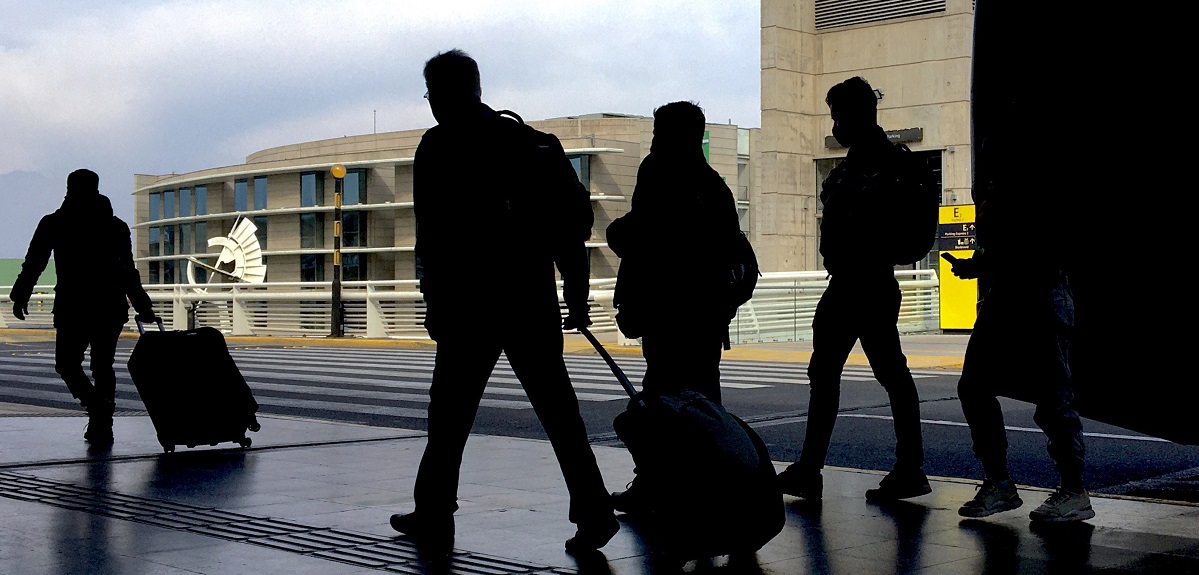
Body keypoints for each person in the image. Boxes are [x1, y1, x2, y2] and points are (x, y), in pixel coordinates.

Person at [389, 49, 618, 554]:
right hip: (529, 298)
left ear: (442, 94)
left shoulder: (438, 147)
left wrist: (433, 301)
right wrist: (575, 295)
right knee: (560, 412)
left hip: (468, 305)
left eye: (431, 95)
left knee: (449, 416)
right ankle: (595, 510)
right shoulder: (529, 143)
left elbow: (431, 237)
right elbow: (569, 230)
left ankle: (433, 512)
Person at [950, 50, 1090, 522]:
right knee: (976, 386)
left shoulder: (1045, 170)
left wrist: (990, 257)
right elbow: (1006, 238)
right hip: (1008, 292)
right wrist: (981, 262)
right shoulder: (1006, 179)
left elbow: (1044, 239)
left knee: (1053, 398)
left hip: (1039, 289)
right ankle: (1001, 483)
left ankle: (1073, 489)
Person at [776, 76, 930, 503]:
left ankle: (907, 468)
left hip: (870, 282)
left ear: (858, 115)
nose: (835, 125)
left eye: (838, 116)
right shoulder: (851, 168)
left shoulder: (895, 166)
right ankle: (813, 468)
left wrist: (872, 250)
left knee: (888, 375)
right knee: (827, 373)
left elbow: (917, 236)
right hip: (844, 283)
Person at [605, 100, 743, 513]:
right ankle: (712, 485)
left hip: (666, 311)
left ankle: (656, 484)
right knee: (704, 399)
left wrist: (616, 232)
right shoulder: (715, 185)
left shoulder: (658, 171)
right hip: (706, 314)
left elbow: (644, 236)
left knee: (659, 401)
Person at [8, 168, 157, 445]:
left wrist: (21, 293)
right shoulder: (116, 226)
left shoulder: (54, 222)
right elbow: (128, 271)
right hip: (109, 306)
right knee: (103, 366)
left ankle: (96, 408)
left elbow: (34, 262)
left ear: (69, 188)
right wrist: (142, 305)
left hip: (72, 305)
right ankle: (103, 420)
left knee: (66, 364)